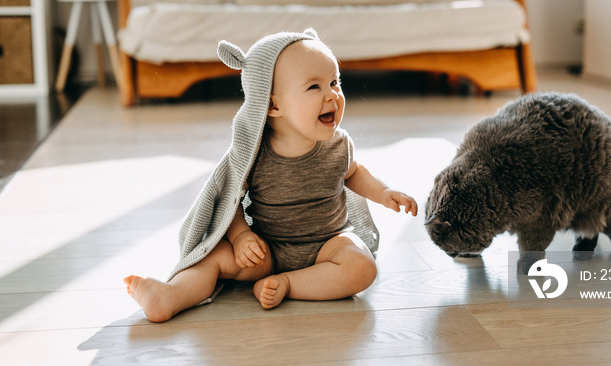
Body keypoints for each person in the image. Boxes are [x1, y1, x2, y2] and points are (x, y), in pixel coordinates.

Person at [124, 29, 417, 322]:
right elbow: (229, 200)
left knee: (362, 267)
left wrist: (383, 193)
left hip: (328, 245)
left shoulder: (338, 144)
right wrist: (241, 237)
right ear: (272, 104)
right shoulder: (254, 154)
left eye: (334, 82)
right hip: (267, 250)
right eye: (314, 87)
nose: (332, 95)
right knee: (214, 258)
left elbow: (354, 173)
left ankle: (289, 284)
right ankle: (170, 295)